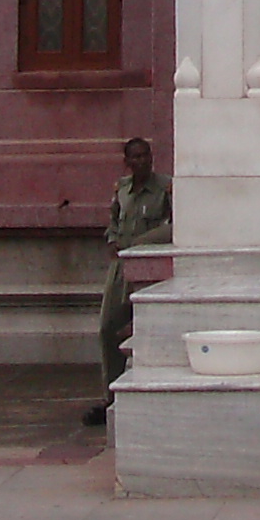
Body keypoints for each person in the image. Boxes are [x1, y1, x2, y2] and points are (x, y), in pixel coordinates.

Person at [85, 136, 171, 427]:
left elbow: (174, 226)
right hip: (121, 265)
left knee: (146, 327)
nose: (142, 161)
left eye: (145, 155)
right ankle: (111, 393)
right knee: (109, 326)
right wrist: (113, 240)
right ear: (127, 162)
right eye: (135, 157)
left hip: (151, 265)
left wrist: (139, 244)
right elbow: (114, 220)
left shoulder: (164, 188)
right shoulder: (122, 189)